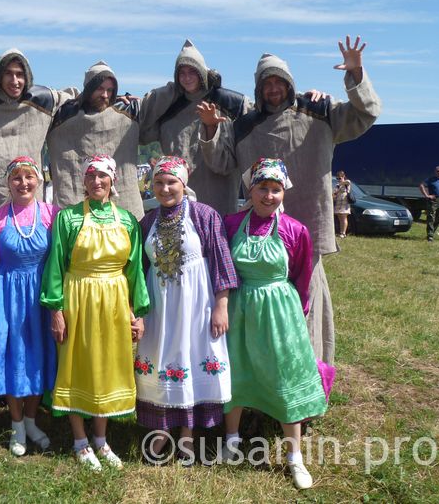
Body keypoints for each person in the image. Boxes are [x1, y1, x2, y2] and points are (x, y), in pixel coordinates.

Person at [199, 36, 382, 365]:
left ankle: (307, 378)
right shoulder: (243, 127)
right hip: (259, 238)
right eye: (266, 83)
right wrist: (212, 130)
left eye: (278, 82)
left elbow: (364, 115)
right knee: (260, 311)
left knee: (305, 308)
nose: (273, 89)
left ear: (289, 83)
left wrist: (356, 75)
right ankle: (262, 384)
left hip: (306, 229)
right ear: (259, 88)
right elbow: (222, 162)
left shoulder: (319, 112)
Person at [221, 158, 327, 490]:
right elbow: (222, 268)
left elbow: (301, 275)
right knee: (236, 369)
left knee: (285, 374)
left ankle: (294, 456)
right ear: (250, 191)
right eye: (263, 189)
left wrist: (298, 312)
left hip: (280, 310)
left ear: (284, 192)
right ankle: (231, 439)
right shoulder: (231, 223)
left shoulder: (296, 230)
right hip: (240, 307)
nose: (269, 196)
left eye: (276, 189)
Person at [41, 154, 150, 471]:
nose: (97, 182)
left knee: (107, 365)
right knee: (77, 363)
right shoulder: (68, 219)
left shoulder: (128, 220)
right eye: (91, 176)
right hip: (79, 295)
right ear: (83, 182)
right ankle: (79, 440)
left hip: (114, 299)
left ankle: (101, 439)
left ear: (112, 181)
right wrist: (56, 310)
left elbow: (134, 272)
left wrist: (136, 312)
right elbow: (56, 266)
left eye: (103, 176)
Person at [134, 156, 237, 462]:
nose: (165, 189)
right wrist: (137, 310)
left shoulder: (205, 216)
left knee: (190, 359)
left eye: (172, 182)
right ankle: (163, 432)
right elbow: (138, 271)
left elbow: (221, 262)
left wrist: (221, 306)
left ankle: (188, 438)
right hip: (159, 308)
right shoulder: (148, 221)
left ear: (184, 184)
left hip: (196, 306)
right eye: (159, 182)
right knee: (162, 359)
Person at [0, 156, 59, 456]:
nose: (23, 183)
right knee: (13, 356)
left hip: (42, 296)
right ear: (8, 183)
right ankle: (16, 425)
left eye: (29, 177)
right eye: (16, 178)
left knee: (38, 355)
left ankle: (32, 419)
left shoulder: (52, 215)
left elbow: (60, 258)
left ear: (39, 180)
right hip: (8, 296)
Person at [0, 49, 77, 218]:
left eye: (20, 74)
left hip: (32, 204)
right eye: (8, 74)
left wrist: (120, 100)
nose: (15, 81)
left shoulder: (43, 100)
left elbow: (80, 99)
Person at [140, 39, 251, 215]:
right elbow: (142, 131)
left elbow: (265, 117)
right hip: (177, 198)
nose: (187, 77)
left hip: (219, 198)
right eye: (182, 73)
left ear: (202, 72)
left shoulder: (230, 104)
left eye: (192, 71)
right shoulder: (169, 107)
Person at [46, 61, 145, 219]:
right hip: (76, 214)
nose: (105, 95)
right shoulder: (62, 118)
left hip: (121, 214)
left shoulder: (127, 113)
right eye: (99, 89)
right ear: (89, 88)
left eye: (110, 90)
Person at [420, 166, 439, 242]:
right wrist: (427, 195)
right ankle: (430, 236)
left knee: (438, 218)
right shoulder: (430, 180)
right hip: (433, 201)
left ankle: (432, 233)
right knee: (431, 218)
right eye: (438, 171)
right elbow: (421, 185)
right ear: (435, 172)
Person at [333, 170, 352, 238]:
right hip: (338, 203)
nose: (338, 180)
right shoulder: (337, 185)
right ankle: (341, 232)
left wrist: (340, 183)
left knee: (344, 217)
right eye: (337, 178)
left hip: (345, 203)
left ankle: (344, 233)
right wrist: (334, 194)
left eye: (339, 178)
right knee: (340, 218)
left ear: (343, 176)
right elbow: (334, 194)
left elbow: (347, 182)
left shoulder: (347, 182)